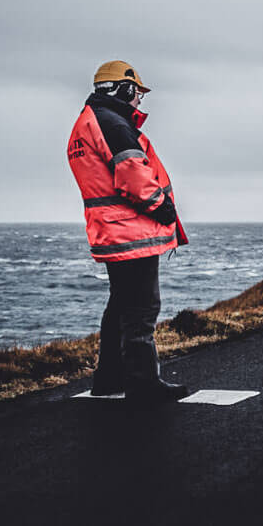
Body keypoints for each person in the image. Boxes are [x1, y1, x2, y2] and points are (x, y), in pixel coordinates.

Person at [66, 61, 190, 401]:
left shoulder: (87, 123)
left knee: (120, 305)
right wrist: (160, 205)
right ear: (122, 89)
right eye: (136, 92)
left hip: (111, 231)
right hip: (131, 232)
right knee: (141, 309)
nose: (139, 100)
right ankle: (142, 383)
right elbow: (132, 171)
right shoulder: (112, 122)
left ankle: (109, 379)